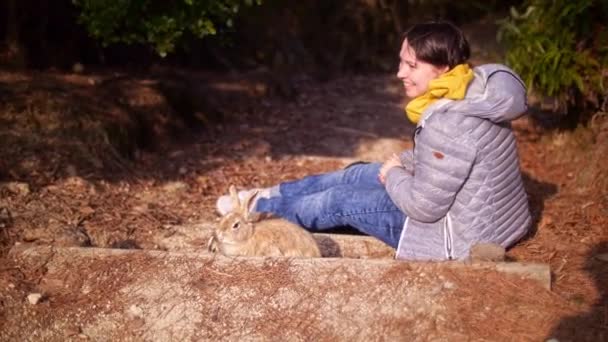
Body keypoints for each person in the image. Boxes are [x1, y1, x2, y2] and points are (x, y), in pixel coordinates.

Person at [216, 21, 531, 261]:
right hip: (484, 219)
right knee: (357, 172)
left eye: (411, 65)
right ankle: (265, 197)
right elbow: (454, 162)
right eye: (401, 62)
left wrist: (394, 174)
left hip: (452, 236)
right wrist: (400, 165)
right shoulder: (473, 90)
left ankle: (260, 215)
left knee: (340, 200)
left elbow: (423, 208)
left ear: (443, 69)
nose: (399, 73)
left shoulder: (449, 120)